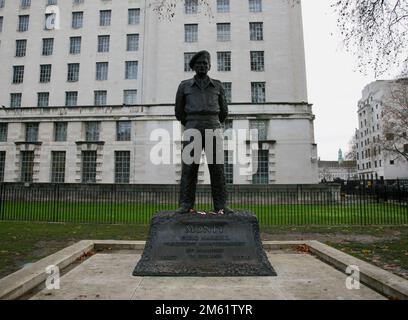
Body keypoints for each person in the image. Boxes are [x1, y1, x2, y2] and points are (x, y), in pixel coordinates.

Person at [175, 50, 233, 214]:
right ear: (194, 66)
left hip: (213, 125)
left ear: (209, 66)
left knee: (217, 169)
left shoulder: (218, 85)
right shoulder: (184, 86)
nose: (202, 66)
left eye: (205, 64)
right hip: (192, 126)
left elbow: (224, 111)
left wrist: (212, 121)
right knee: (189, 169)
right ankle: (186, 204)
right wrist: (191, 122)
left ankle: (221, 205)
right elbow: (179, 111)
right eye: (199, 64)